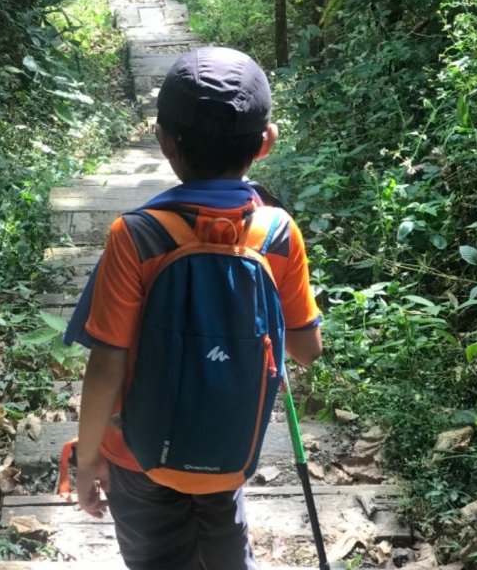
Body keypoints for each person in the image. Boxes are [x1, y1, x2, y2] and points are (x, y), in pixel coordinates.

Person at [72, 46, 322, 570]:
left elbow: (107, 363)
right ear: (266, 144)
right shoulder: (278, 233)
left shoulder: (136, 236)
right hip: (228, 447)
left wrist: (89, 454)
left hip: (136, 455)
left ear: (164, 141)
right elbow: (305, 351)